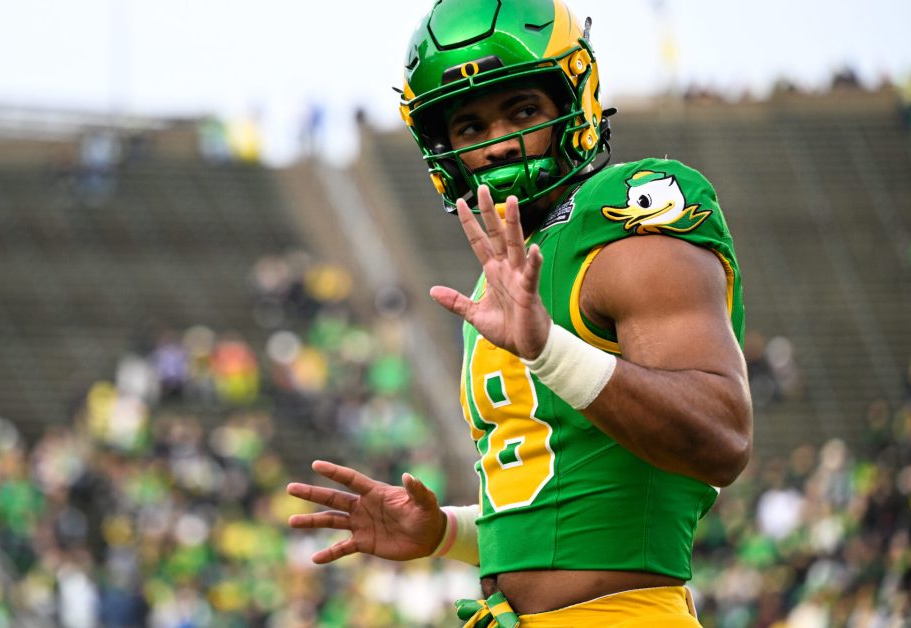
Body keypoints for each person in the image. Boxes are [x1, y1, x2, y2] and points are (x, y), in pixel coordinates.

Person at [287, 0, 751, 625]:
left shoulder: (622, 218)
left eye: (522, 110)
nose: (497, 142)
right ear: (443, 148)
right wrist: (444, 531)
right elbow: (567, 506)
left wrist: (549, 349)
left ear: (573, 102)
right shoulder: (502, 277)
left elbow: (721, 437)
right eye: (470, 127)